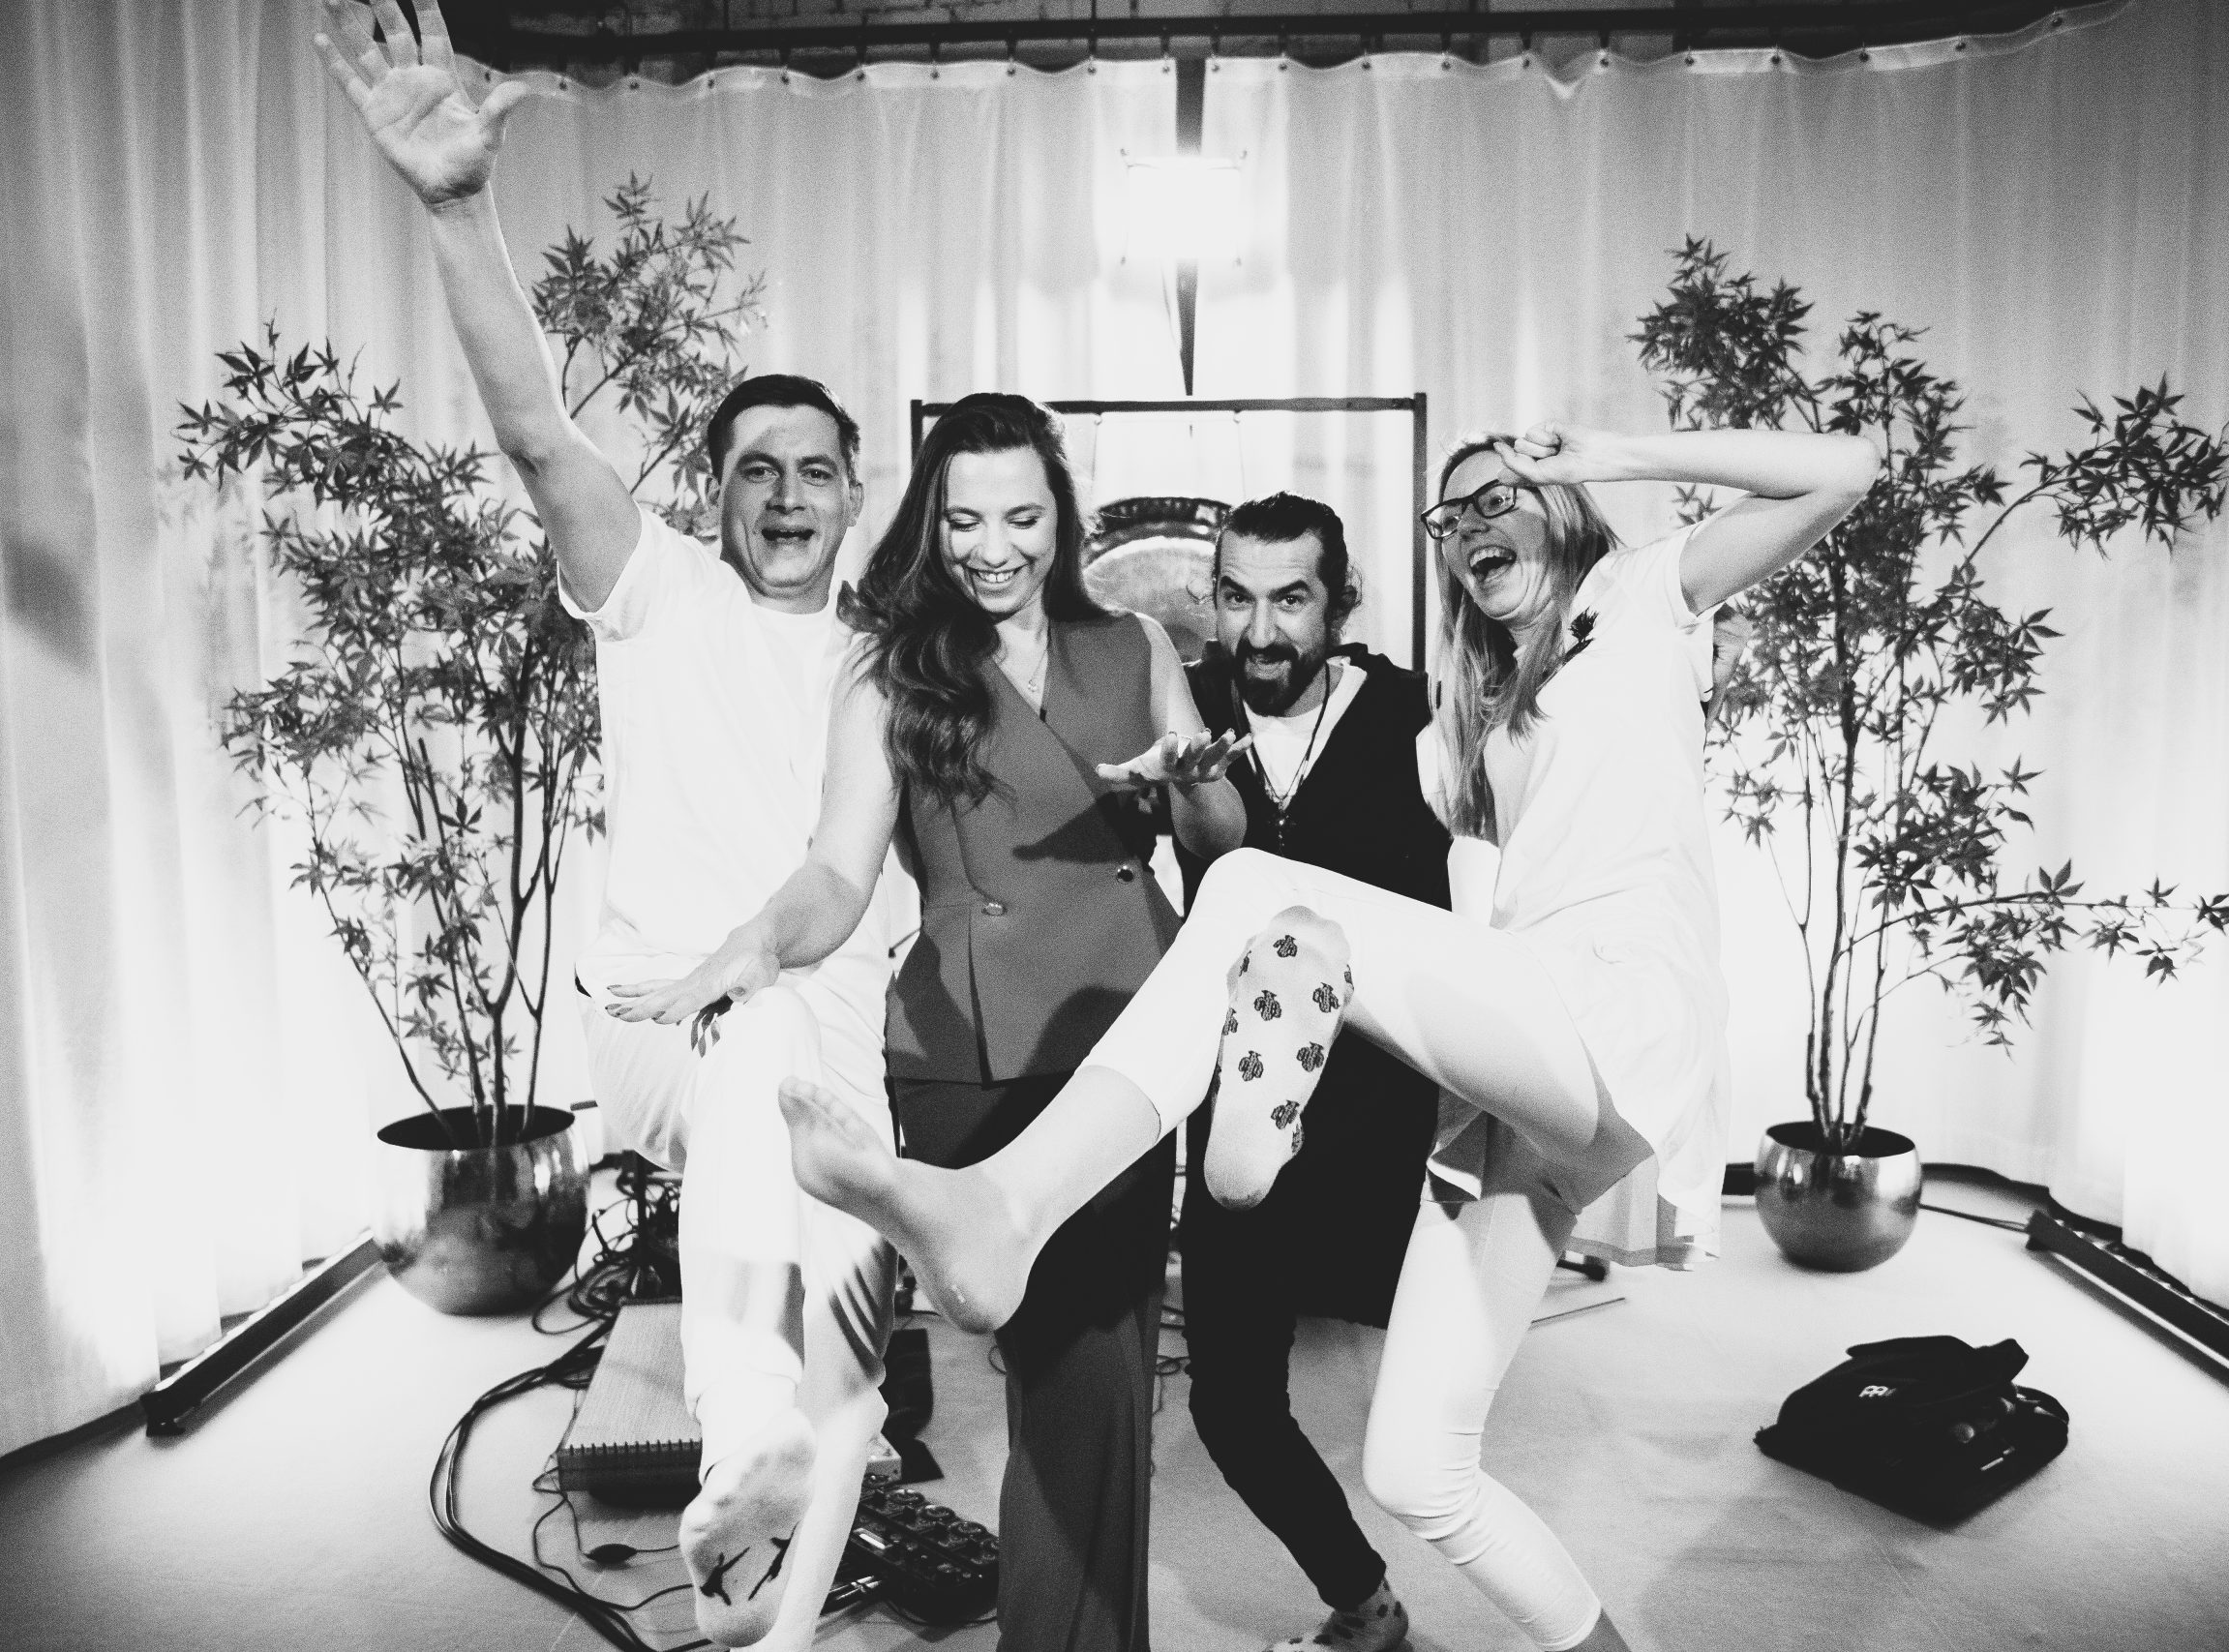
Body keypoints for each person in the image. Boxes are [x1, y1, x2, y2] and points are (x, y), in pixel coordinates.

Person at [776, 419, 1879, 1651]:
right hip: (1492, 1087)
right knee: (1418, 1469)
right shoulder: (1467, 713)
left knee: (1262, 892)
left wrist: (1602, 452)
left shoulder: (1636, 604)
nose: (1476, 525)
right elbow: (1469, 890)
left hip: (1596, 1014)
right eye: (1454, 515)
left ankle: (1006, 1204)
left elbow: (1843, 472)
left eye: (1506, 496)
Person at [313, 7, 908, 1647]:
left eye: (815, 468)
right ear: (713, 494)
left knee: (853, 1370)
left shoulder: (884, 657)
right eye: (755, 468)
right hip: (665, 1022)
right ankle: (741, 1410)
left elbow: (854, 868)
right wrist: (456, 209)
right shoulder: (661, 595)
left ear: (855, 491)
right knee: (748, 1040)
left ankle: (757, 1588)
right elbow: (533, 431)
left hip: (828, 1042)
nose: (785, 493)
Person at [628, 393, 1249, 1652]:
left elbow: (1220, 844)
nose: (993, 547)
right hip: (975, 1051)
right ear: (931, 521)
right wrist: (756, 943)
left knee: (1106, 1383)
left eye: (1021, 516)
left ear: (1060, 516)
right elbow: (838, 870)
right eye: (965, 519)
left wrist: (1197, 785)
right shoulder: (892, 667)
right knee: (1072, 1374)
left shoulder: (1135, 643)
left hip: (1127, 1040)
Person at [1175, 493, 1448, 1652]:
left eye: (1291, 599)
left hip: (1387, 1111)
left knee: (1434, 1421)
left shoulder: (1415, 715)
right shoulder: (1181, 708)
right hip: (1239, 1108)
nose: (1261, 631)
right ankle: (1363, 1600)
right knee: (1230, 1404)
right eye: (1237, 597)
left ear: (1343, 602)